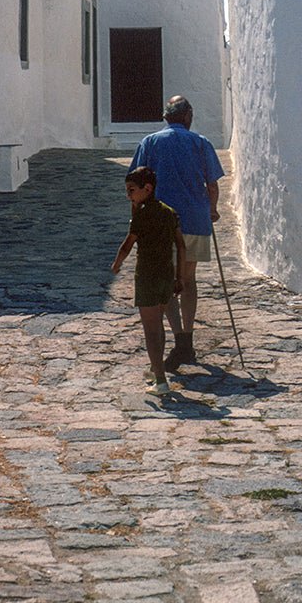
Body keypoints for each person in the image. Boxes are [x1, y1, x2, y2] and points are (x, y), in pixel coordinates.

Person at [129, 96, 224, 371]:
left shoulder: (150, 143)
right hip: (194, 221)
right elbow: (213, 185)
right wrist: (213, 210)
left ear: (166, 117)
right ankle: (188, 340)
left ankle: (180, 340)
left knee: (169, 282)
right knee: (189, 280)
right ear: (188, 116)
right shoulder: (201, 142)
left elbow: (135, 187)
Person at [111, 166, 186, 396]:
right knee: (159, 325)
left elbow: (127, 244)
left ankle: (161, 381)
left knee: (151, 330)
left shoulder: (142, 216)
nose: (128, 196)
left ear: (147, 188)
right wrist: (180, 277)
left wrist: (117, 264)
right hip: (166, 276)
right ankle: (157, 369)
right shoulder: (169, 212)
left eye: (132, 190)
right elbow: (181, 246)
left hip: (147, 277)